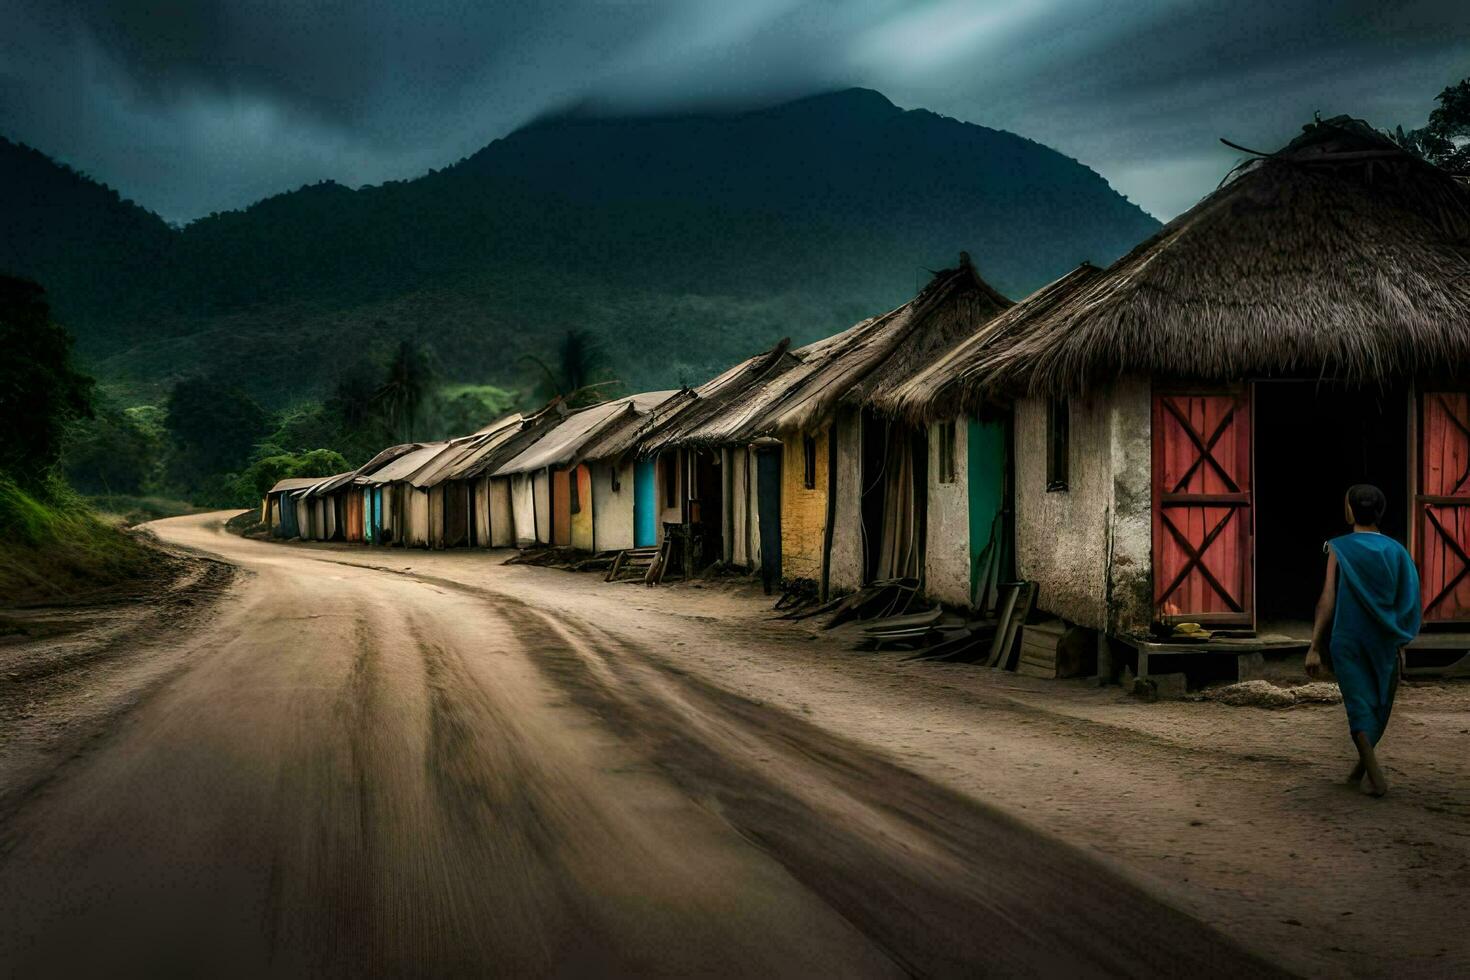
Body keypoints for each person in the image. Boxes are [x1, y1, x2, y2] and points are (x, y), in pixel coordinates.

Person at [1306, 484, 1421, 797]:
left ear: (1349, 510)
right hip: (1384, 640)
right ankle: (1367, 772)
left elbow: (1327, 599)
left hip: (1348, 638)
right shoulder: (1397, 551)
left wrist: (1314, 645)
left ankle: (1370, 776)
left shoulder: (1339, 548)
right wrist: (1401, 635)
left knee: (1358, 704)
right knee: (1378, 704)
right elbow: (1408, 598)